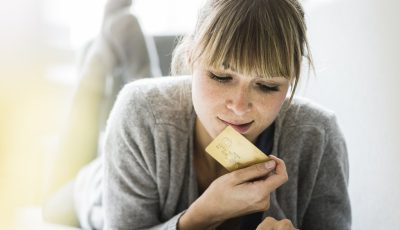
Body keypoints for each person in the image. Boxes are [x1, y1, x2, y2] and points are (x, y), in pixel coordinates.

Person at [97, 0, 351, 229]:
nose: (240, 107)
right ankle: (102, 56)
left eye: (267, 86)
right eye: (221, 77)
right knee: (82, 133)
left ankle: (124, 45)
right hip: (96, 188)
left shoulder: (319, 136)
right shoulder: (140, 111)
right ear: (190, 56)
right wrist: (201, 216)